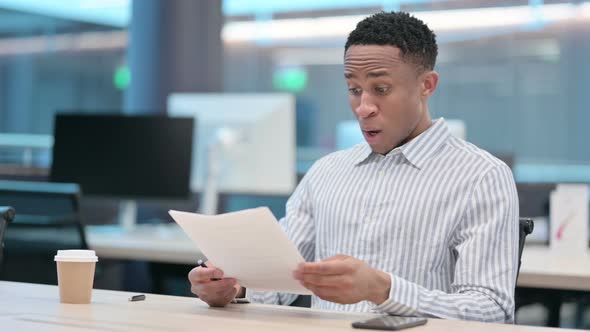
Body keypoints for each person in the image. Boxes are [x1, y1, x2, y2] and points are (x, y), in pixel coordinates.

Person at [188, 11, 518, 323]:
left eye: (381, 89)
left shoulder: (481, 177)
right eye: (354, 89)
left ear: (427, 85)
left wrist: (383, 289)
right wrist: (233, 286)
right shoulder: (327, 172)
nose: (363, 108)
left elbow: (491, 311)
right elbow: (279, 277)